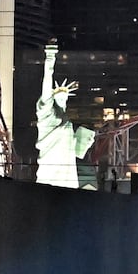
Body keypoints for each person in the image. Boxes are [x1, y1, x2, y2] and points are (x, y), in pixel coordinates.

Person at [35, 41, 95, 188]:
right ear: (53, 98)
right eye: (60, 97)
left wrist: (85, 140)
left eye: (65, 98)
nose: (63, 100)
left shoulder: (66, 121)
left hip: (67, 172)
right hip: (49, 168)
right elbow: (46, 86)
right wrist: (50, 59)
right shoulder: (46, 115)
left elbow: (75, 150)